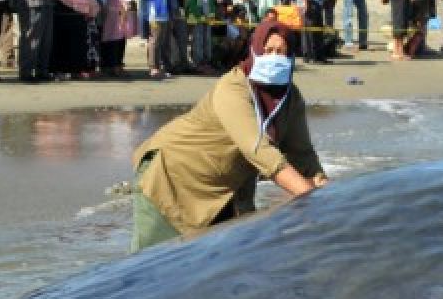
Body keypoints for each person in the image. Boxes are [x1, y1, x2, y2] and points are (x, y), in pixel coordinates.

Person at [129, 20, 327, 253]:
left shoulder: (290, 99)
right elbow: (258, 151)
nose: (274, 58)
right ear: (254, 52)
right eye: (268, 51)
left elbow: (304, 158)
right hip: (172, 177)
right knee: (150, 271)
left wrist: (330, 199)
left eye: (281, 52)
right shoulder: (233, 88)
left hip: (223, 191)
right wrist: (310, 198)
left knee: (221, 271)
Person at [186, 0, 216, 73]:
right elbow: (193, 5)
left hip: (207, 20)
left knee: (207, 40)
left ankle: (206, 61)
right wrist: (199, 16)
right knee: (197, 41)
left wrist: (212, 13)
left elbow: (211, 3)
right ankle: (197, 62)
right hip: (197, 20)